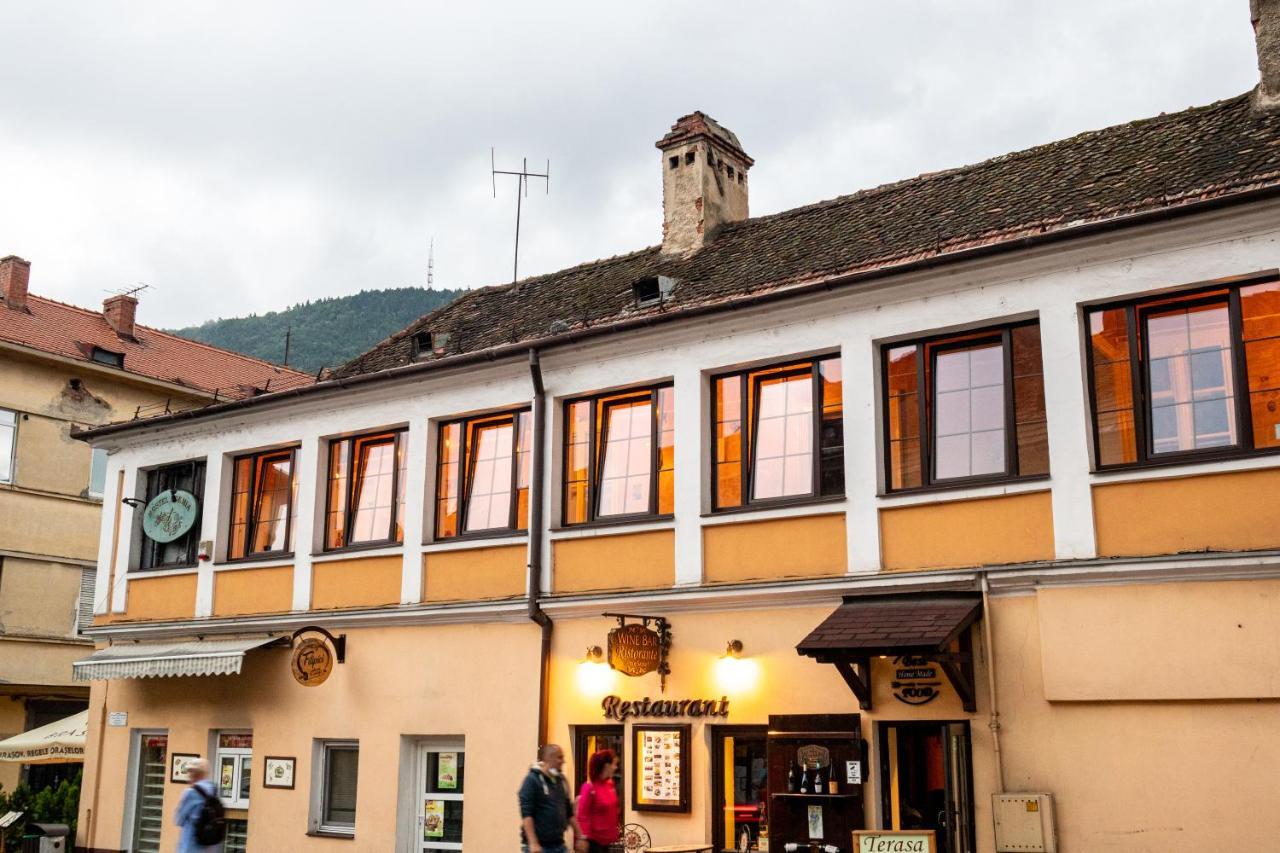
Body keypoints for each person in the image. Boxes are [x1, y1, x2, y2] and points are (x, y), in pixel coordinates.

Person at [519, 743, 584, 853]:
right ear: (549, 758)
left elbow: (569, 812)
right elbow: (527, 814)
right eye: (560, 757)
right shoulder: (532, 780)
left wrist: (580, 836)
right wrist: (533, 842)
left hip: (558, 844)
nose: (563, 761)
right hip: (540, 846)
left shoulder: (561, 781)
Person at [173, 757, 224, 853]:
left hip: (191, 846)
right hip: (211, 847)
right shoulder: (214, 789)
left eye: (190, 772)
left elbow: (178, 820)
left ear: (194, 774)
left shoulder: (190, 793)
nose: (188, 775)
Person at [577, 748, 619, 853]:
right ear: (606, 766)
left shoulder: (609, 785)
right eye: (614, 764)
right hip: (594, 843)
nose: (615, 767)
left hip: (607, 841)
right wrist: (583, 838)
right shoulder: (589, 788)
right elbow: (582, 816)